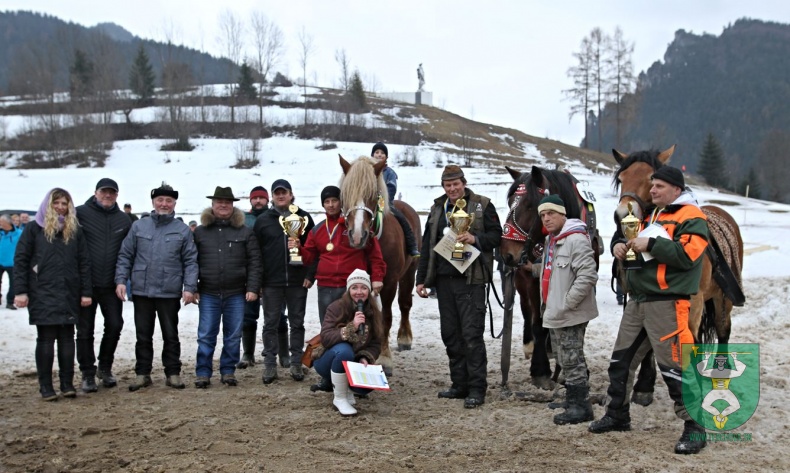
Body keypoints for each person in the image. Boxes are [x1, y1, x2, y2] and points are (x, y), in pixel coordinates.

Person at [589, 166, 709, 455]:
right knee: (621, 361)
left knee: (676, 368)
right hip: (638, 301)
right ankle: (617, 414)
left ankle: (696, 428)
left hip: (669, 304)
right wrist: (620, 245)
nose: (652, 190)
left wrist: (651, 243)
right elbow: (630, 241)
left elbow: (687, 256)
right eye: (652, 186)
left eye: (659, 186)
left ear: (677, 191)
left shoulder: (692, 217)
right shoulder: (647, 215)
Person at [415, 165, 502, 408]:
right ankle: (459, 384)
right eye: (448, 185)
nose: (452, 189)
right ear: (443, 187)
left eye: (456, 184)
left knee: (471, 335)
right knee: (450, 334)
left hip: (471, 281)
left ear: (463, 183)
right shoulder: (436, 209)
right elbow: (426, 247)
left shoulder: (481, 205)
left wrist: (476, 239)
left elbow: (497, 236)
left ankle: (477, 388)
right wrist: (420, 279)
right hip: (443, 282)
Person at [300, 185, 387, 392]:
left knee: (359, 331)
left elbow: (375, 256)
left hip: (352, 290)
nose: (331, 205)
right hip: (326, 287)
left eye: (334, 201)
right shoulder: (318, 229)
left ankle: (357, 373)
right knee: (328, 332)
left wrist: (377, 278)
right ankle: (329, 378)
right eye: (326, 202)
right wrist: (296, 248)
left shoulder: (356, 226)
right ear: (323, 205)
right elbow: (309, 258)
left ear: (342, 203)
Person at [522, 195, 598, 425]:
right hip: (555, 311)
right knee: (566, 358)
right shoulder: (553, 241)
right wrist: (532, 268)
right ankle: (573, 399)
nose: (546, 219)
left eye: (551, 214)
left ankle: (581, 407)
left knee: (572, 360)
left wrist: (568, 303)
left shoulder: (576, 240)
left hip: (568, 313)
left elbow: (588, 275)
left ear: (563, 214)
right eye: (543, 215)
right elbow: (553, 270)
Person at [115, 182, 198, 391]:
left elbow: (190, 261)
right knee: (143, 334)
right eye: (160, 200)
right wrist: (121, 280)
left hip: (169, 291)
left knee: (171, 334)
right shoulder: (139, 226)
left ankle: (173, 373)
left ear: (174, 203)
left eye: (168, 200)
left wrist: (189, 287)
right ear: (153, 202)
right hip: (142, 290)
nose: (164, 204)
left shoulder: (182, 230)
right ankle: (142, 373)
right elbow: (126, 255)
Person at [14, 188, 92, 400]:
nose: (60, 207)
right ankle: (46, 387)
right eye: (56, 203)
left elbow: (84, 262)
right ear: (48, 205)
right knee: (46, 339)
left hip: (69, 291)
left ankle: (67, 384)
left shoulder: (75, 231)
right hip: (42, 291)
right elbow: (21, 261)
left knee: (68, 338)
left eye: (64, 204)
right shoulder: (33, 229)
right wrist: (20, 291)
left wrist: (86, 291)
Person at [193, 187, 262, 388]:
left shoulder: (245, 232)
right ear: (212, 205)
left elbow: (255, 262)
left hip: (236, 294)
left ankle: (228, 371)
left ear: (233, 206)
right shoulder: (200, 232)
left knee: (233, 335)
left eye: (227, 202)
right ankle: (203, 373)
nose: (223, 205)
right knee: (206, 335)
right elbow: (192, 261)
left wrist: (252, 287)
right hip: (208, 292)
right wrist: (192, 286)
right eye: (219, 202)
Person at [253, 179, 315, 384]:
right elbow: (256, 254)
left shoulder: (304, 218)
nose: (280, 196)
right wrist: (258, 281)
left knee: (297, 323)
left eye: (284, 192)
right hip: (271, 281)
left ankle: (296, 362)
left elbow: (314, 251)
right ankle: (270, 364)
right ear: (272, 196)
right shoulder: (263, 220)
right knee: (270, 323)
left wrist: (309, 275)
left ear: (291, 194)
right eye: (277, 193)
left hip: (298, 282)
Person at [75, 178, 132, 392]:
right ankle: (87, 373)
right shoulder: (80, 213)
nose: (108, 195)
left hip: (111, 284)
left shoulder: (123, 220)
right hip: (85, 284)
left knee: (115, 324)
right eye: (104, 192)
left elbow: (127, 253)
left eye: (112, 192)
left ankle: (105, 367)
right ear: (95, 192)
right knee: (84, 330)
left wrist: (123, 279)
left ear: (117, 195)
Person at [310, 269, 383, 416]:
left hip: (353, 362)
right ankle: (340, 398)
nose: (359, 292)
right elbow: (326, 337)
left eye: (363, 288)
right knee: (344, 350)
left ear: (368, 291)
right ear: (348, 289)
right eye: (354, 287)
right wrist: (352, 327)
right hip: (328, 360)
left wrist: (365, 357)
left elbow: (376, 343)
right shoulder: (336, 307)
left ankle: (348, 389)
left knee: (365, 389)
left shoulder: (374, 312)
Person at [239, 185, 290, 370]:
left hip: (273, 275)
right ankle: (248, 354)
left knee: (278, 316)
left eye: (262, 198)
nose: (258, 201)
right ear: (250, 200)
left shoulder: (275, 217)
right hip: (251, 274)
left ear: (268, 199)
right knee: (248, 316)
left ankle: (284, 354)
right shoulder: (243, 219)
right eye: (255, 198)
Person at [370, 142, 420, 258]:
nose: (379, 155)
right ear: (372, 155)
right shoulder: (367, 172)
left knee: (402, 219)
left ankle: (412, 246)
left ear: (386, 157)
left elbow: (391, 189)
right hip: (369, 204)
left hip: (385, 203)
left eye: (382, 153)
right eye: (376, 152)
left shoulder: (390, 173)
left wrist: (383, 201)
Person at [0, 214, 22, 310]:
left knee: (13, 284)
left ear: (8, 222)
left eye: (1, 222)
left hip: (13, 263)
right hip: (0, 262)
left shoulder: (19, 233)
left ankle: (10, 302)